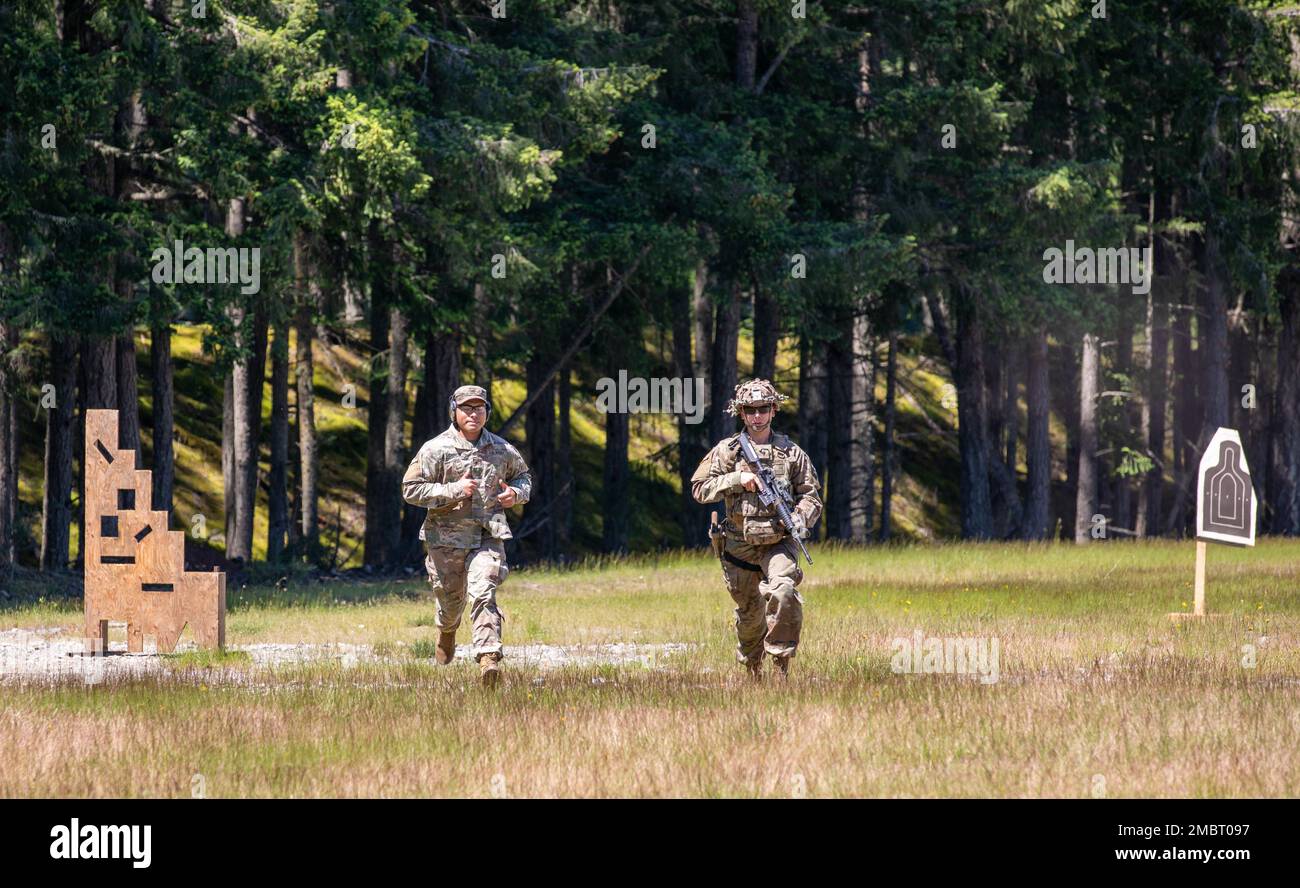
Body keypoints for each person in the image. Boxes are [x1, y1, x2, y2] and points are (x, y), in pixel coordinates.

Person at [401, 385, 532, 687]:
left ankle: (489, 659)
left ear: (487, 411)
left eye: (479, 408)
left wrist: (515, 494)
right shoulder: (436, 449)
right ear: (455, 412)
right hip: (445, 541)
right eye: (466, 408)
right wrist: (452, 490)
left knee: (483, 590)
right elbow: (410, 489)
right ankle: (447, 630)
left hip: (488, 535)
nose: (473, 413)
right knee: (450, 603)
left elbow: (523, 476)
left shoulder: (501, 449)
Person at [690, 379, 823, 679]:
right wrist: (736, 479)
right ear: (741, 413)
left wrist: (798, 520)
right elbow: (699, 489)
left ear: (774, 410)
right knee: (751, 617)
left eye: (763, 409)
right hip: (739, 547)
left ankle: (781, 666)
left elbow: (811, 497)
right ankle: (753, 671)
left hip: (779, 542)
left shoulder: (791, 453)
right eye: (750, 410)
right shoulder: (727, 452)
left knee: (784, 591)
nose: (757, 416)